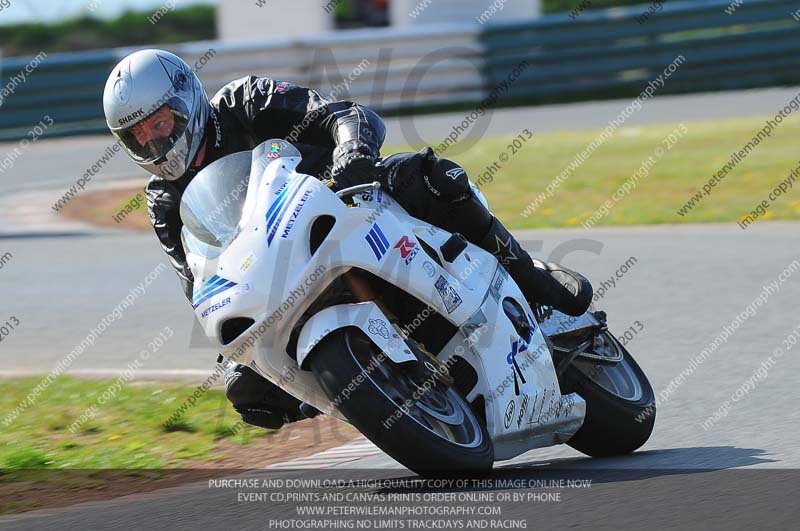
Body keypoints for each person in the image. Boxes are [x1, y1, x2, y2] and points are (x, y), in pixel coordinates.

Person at [103, 49, 593, 430]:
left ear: (186, 101)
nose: (155, 142)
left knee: (430, 177)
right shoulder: (164, 202)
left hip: (347, 203)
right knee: (245, 388)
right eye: (138, 136)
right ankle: (358, 395)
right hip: (277, 272)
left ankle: (529, 278)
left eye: (161, 123)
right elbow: (196, 282)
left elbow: (343, 114)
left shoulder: (245, 101)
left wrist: (353, 151)